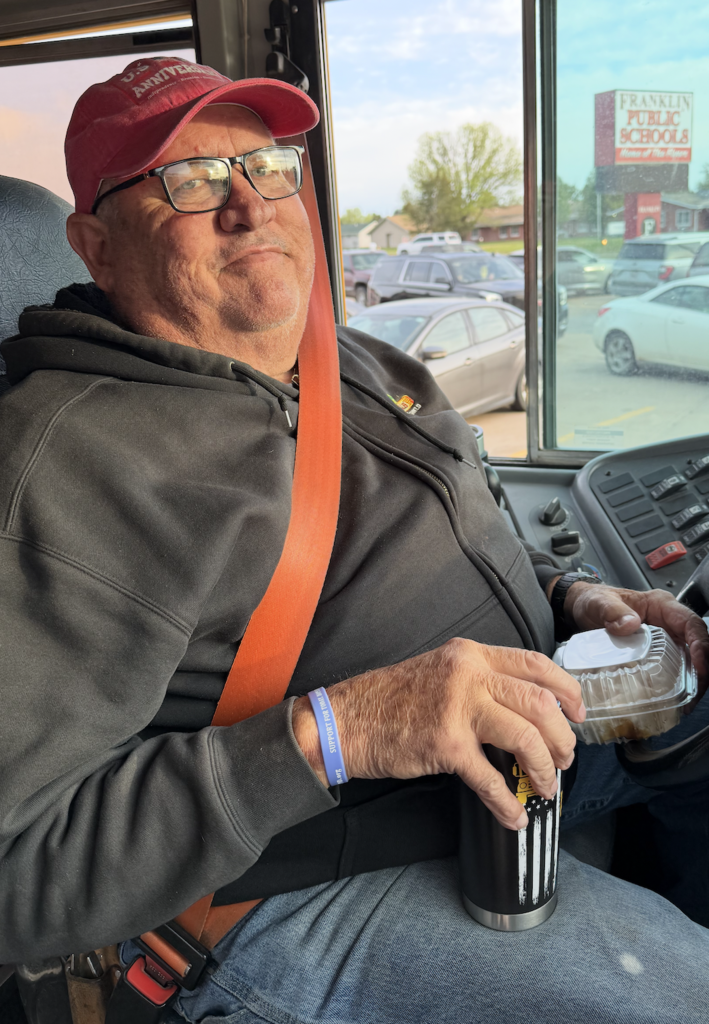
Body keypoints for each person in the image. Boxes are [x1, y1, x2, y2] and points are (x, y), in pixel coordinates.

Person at [1, 56, 709, 1023]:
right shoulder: (64, 465)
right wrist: (345, 728)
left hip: (513, 743)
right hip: (294, 873)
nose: (248, 205)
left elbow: (466, 533)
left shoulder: (358, 360)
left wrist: (571, 596)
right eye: (192, 182)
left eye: (268, 167)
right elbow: (17, 870)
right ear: (96, 244)